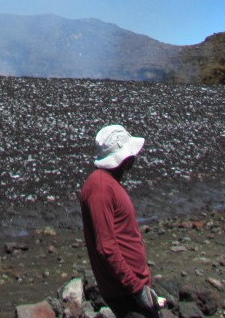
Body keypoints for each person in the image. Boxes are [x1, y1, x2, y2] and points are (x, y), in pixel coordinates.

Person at [79, 125, 160, 318]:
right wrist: (136, 288)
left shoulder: (106, 184)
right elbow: (106, 246)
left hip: (129, 287)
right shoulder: (100, 188)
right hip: (124, 291)